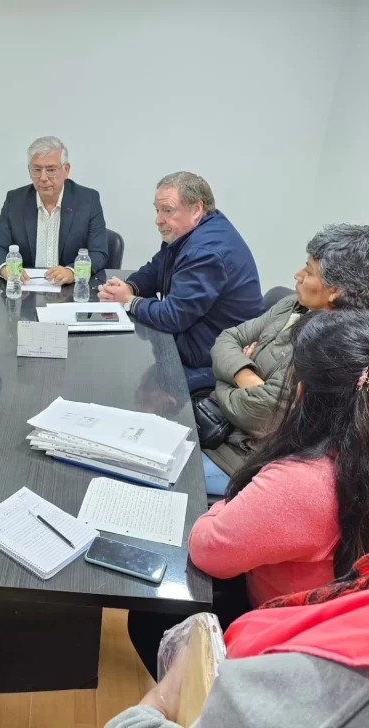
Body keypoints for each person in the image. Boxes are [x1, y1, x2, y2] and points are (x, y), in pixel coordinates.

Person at [129, 308, 369, 678]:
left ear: (302, 390)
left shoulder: (303, 481)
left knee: (149, 614)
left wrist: (234, 502)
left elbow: (207, 548)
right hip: (340, 632)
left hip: (287, 634)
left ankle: (201, 700)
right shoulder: (339, 465)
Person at [107, 553, 369, 728]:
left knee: (146, 619)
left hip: (244, 623)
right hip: (249, 631)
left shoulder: (341, 677)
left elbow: (207, 546)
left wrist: (162, 699)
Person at [203, 223, 369, 495]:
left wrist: (225, 375)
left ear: (335, 291)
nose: (297, 275)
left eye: (309, 272)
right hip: (213, 423)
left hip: (240, 460)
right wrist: (245, 375)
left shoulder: (332, 349)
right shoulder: (292, 304)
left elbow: (262, 415)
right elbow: (227, 338)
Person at [98, 172, 263, 392]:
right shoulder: (190, 233)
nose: (158, 220)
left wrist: (129, 300)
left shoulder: (206, 251)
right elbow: (156, 268)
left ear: (197, 209)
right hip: (194, 342)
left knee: (122, 383)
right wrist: (130, 287)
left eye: (167, 210)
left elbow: (172, 317)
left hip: (214, 360)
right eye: (157, 210)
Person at [0, 135, 108, 285]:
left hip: (70, 289)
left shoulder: (88, 200)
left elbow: (98, 252)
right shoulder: (15, 201)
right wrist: (5, 269)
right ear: (29, 170)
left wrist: (72, 271)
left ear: (66, 170)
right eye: (37, 170)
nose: (43, 178)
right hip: (26, 286)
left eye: (51, 170)